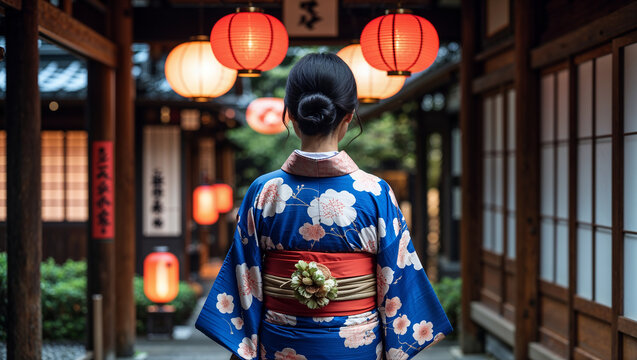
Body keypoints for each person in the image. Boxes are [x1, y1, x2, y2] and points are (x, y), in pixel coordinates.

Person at [196, 53, 452, 360]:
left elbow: (244, 279)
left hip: (280, 346)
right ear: (349, 116)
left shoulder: (264, 191)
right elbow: (396, 282)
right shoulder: (375, 192)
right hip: (356, 347)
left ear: (289, 114)